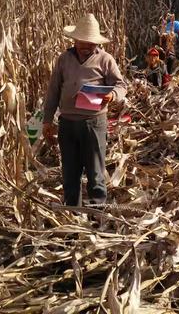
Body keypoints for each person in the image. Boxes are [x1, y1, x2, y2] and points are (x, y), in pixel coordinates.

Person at [42, 13, 127, 207]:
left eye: (91, 43)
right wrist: (47, 120)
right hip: (67, 123)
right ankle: (73, 213)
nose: (86, 46)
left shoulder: (105, 60)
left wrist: (112, 95)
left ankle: (98, 215)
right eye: (83, 42)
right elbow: (53, 91)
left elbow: (121, 85)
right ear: (75, 40)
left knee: (95, 171)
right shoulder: (63, 59)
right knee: (70, 172)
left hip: (94, 122)